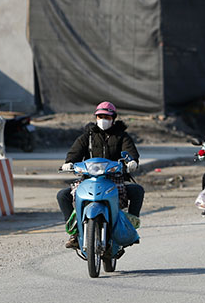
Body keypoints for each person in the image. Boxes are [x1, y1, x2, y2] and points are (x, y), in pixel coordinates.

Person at [57, 101, 143, 249]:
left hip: (115, 178)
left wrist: (132, 162)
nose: (103, 120)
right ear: (96, 117)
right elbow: (74, 154)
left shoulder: (122, 136)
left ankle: (129, 227)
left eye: (107, 117)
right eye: (100, 116)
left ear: (113, 118)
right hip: (88, 179)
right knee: (63, 195)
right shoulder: (87, 137)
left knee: (137, 190)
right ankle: (74, 232)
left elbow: (131, 153)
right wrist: (69, 163)